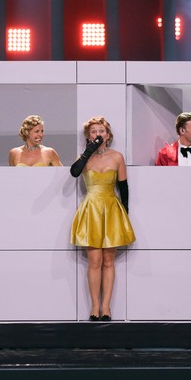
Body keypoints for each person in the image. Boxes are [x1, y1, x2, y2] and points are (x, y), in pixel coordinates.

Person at [70, 116, 136, 322]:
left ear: (108, 135)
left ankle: (106, 307)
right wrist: (89, 151)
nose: (98, 134)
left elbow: (124, 187)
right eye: (94, 131)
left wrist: (124, 213)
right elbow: (74, 173)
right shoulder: (83, 157)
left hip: (110, 207)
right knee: (94, 261)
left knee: (109, 260)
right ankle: (94, 307)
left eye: (102, 131)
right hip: (91, 209)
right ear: (88, 136)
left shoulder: (117, 157)